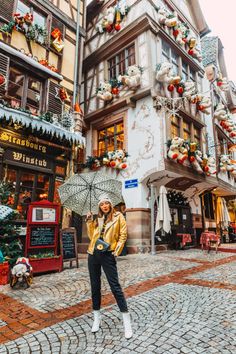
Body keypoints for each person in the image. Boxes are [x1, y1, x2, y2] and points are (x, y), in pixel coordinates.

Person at [86, 195, 133, 339]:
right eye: (102, 204)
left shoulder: (119, 216)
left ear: (111, 205)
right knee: (95, 286)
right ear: (99, 206)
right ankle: (96, 318)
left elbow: (123, 235)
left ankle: (127, 322)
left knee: (115, 286)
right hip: (93, 254)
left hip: (108, 254)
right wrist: (89, 221)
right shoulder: (97, 218)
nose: (104, 206)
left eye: (107, 203)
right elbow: (91, 237)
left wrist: (116, 252)